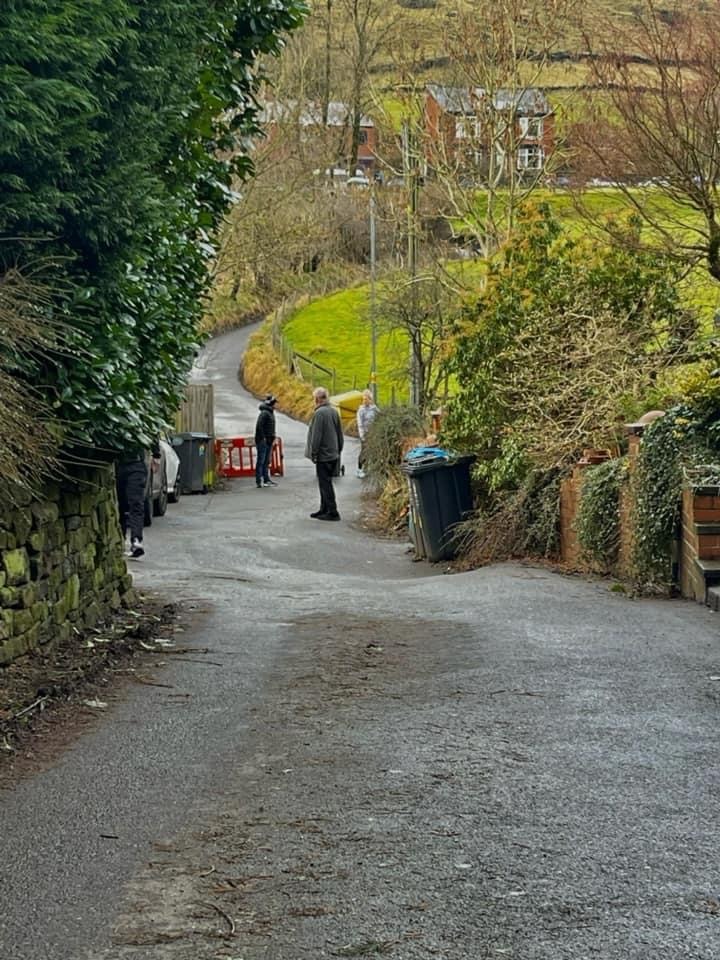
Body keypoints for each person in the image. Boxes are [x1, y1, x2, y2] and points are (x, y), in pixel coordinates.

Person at [305, 386, 344, 521]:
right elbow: (340, 433)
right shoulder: (334, 412)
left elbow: (316, 436)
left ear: (317, 399)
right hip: (333, 454)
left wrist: (313, 452)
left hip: (324, 455)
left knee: (325, 483)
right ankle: (324, 508)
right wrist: (339, 449)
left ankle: (332, 511)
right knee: (325, 482)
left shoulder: (319, 414)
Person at [116, 439, 160, 558]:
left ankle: (136, 540)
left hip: (136, 465)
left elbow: (151, 429)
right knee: (121, 505)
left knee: (136, 503)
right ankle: (121, 540)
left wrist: (156, 455)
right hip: (118, 464)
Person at [254, 394, 278, 488]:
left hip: (268, 440)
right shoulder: (265, 413)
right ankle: (259, 480)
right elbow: (259, 426)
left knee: (266, 461)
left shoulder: (269, 412)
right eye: (275, 403)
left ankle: (266, 479)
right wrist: (263, 438)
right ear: (271, 403)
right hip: (263, 441)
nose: (276, 405)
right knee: (261, 461)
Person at [356, 388, 379, 478]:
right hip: (365, 434)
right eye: (364, 399)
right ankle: (360, 469)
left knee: (372, 451)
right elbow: (360, 424)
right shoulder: (361, 410)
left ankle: (368, 468)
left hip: (373, 434)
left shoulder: (374, 408)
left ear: (370, 399)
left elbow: (380, 416)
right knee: (364, 452)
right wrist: (362, 435)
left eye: (367, 399)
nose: (365, 401)